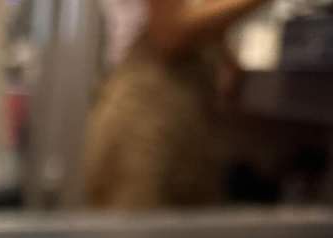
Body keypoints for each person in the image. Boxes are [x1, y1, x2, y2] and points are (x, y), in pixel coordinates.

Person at [84, 0, 271, 208]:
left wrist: (223, 54)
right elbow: (170, 31)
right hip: (148, 111)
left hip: (178, 110)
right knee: (136, 236)